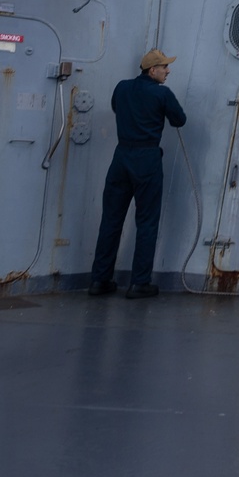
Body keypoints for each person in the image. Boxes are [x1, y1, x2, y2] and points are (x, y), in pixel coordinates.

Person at [89, 49, 187, 299]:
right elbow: (179, 120)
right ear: (152, 70)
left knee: (111, 220)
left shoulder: (122, 87)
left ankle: (100, 280)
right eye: (164, 67)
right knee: (147, 222)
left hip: (121, 158)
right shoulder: (162, 93)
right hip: (147, 159)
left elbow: (116, 107)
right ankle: (139, 283)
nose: (168, 71)